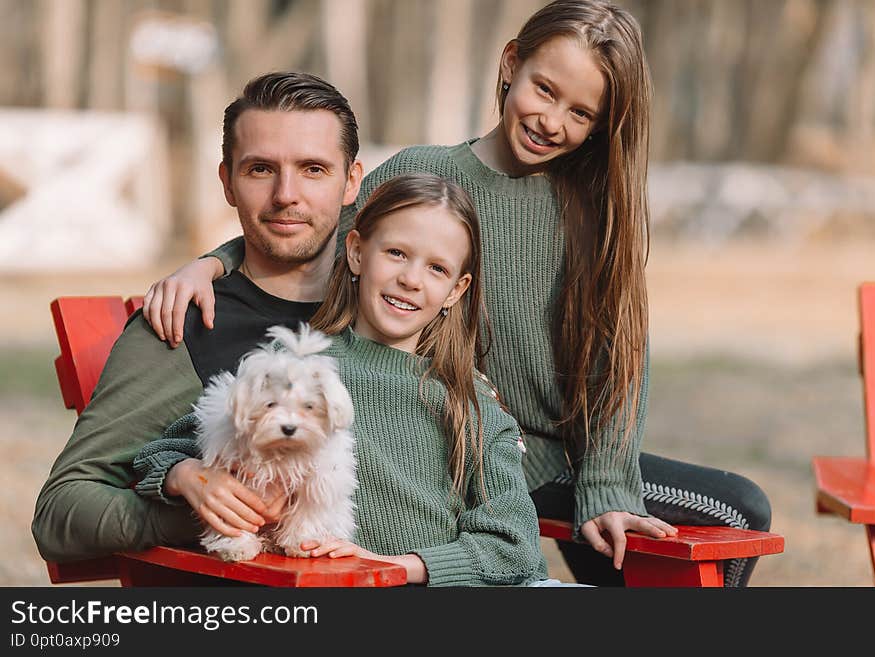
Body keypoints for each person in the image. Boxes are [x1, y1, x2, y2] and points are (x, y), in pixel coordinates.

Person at [140, 0, 772, 586]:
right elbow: (318, 234)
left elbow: (621, 357)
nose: (551, 121)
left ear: (604, 126)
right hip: (461, 445)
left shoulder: (594, 212)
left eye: (581, 114)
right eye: (544, 90)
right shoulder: (424, 175)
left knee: (737, 511)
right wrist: (214, 263)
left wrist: (607, 485)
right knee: (728, 518)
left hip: (554, 462)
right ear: (510, 64)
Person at [133, 173, 549, 586]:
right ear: (356, 253)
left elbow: (515, 545)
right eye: (397, 253)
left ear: (456, 291)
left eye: (437, 268)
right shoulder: (297, 367)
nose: (411, 279)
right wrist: (186, 475)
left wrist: (402, 566)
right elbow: (167, 450)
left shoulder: (471, 399)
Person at [31, 72, 365, 562]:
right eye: (259, 170)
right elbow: (60, 513)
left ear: (352, 182)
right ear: (227, 182)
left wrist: (216, 258)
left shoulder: (394, 300)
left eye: (313, 169)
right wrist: (204, 507)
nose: (286, 195)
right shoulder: (182, 325)